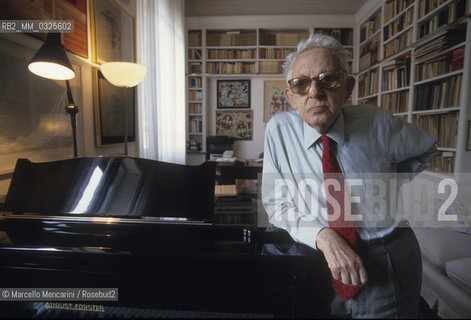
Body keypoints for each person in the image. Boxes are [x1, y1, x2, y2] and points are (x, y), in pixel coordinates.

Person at [261, 33, 437, 318]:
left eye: (327, 79)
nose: (315, 92)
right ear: (291, 96)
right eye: (301, 84)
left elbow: (427, 146)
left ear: (347, 87)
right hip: (315, 262)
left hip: (383, 260)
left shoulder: (377, 123)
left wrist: (388, 184)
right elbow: (275, 203)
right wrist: (322, 235)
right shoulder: (278, 131)